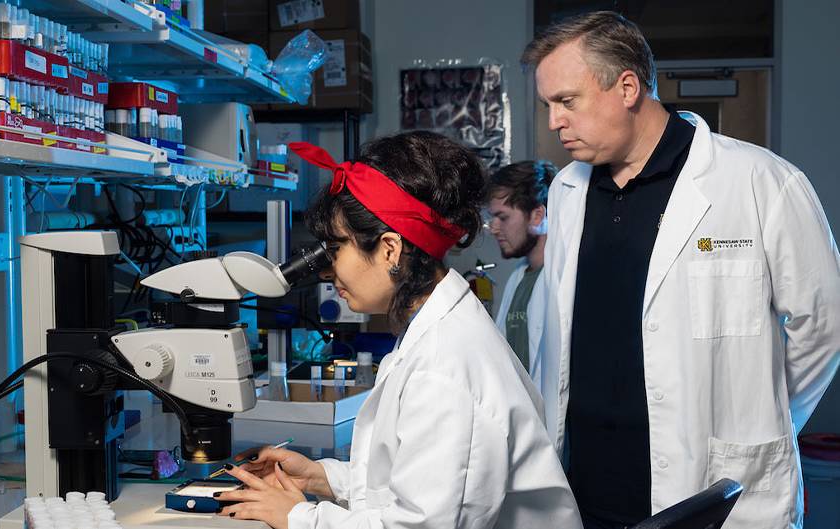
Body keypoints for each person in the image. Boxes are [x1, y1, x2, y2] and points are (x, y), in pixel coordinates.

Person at [524, 10, 840, 529]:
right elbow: (554, 338)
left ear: (627, 87)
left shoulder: (760, 181)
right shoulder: (566, 192)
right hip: (583, 491)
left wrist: (763, 420)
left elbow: (822, 328)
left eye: (566, 101)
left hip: (707, 491)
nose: (555, 121)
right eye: (548, 105)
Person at [213, 131, 582, 529]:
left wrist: (298, 517)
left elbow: (421, 526)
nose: (328, 270)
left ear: (390, 249)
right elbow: (420, 483)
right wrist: (321, 478)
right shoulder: (437, 328)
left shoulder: (444, 365)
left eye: (337, 249)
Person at [487, 160, 557, 384]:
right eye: (493, 217)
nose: (494, 228)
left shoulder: (564, 280)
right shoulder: (518, 277)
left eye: (503, 217)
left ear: (537, 216)